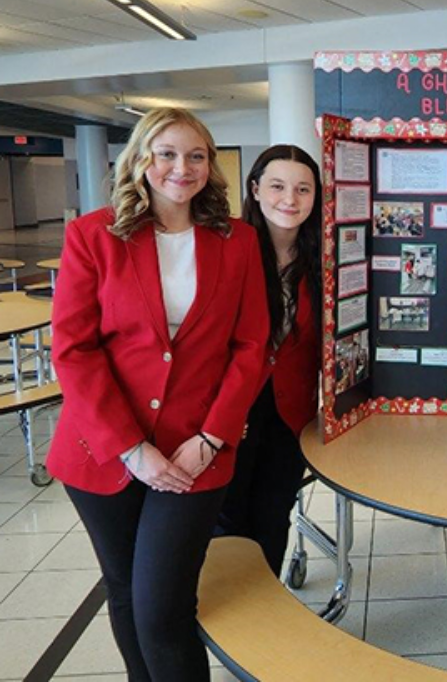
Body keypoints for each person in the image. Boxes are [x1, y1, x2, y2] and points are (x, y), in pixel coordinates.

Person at [48, 107, 268, 680]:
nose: (181, 167)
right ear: (141, 160)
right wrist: (129, 446)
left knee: (162, 607)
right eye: (166, 153)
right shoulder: (93, 236)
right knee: (123, 593)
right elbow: (74, 350)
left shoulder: (236, 241)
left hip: (195, 453)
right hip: (103, 451)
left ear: (210, 165)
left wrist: (213, 437)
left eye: (196, 155)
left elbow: (251, 347)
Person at [214, 145, 322, 578]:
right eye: (277, 186)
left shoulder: (323, 258)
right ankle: (230, 613)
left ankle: (268, 602)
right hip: (230, 406)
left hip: (289, 410)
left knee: (274, 514)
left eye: (303, 189)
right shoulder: (226, 247)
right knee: (226, 517)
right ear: (255, 189)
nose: (290, 200)